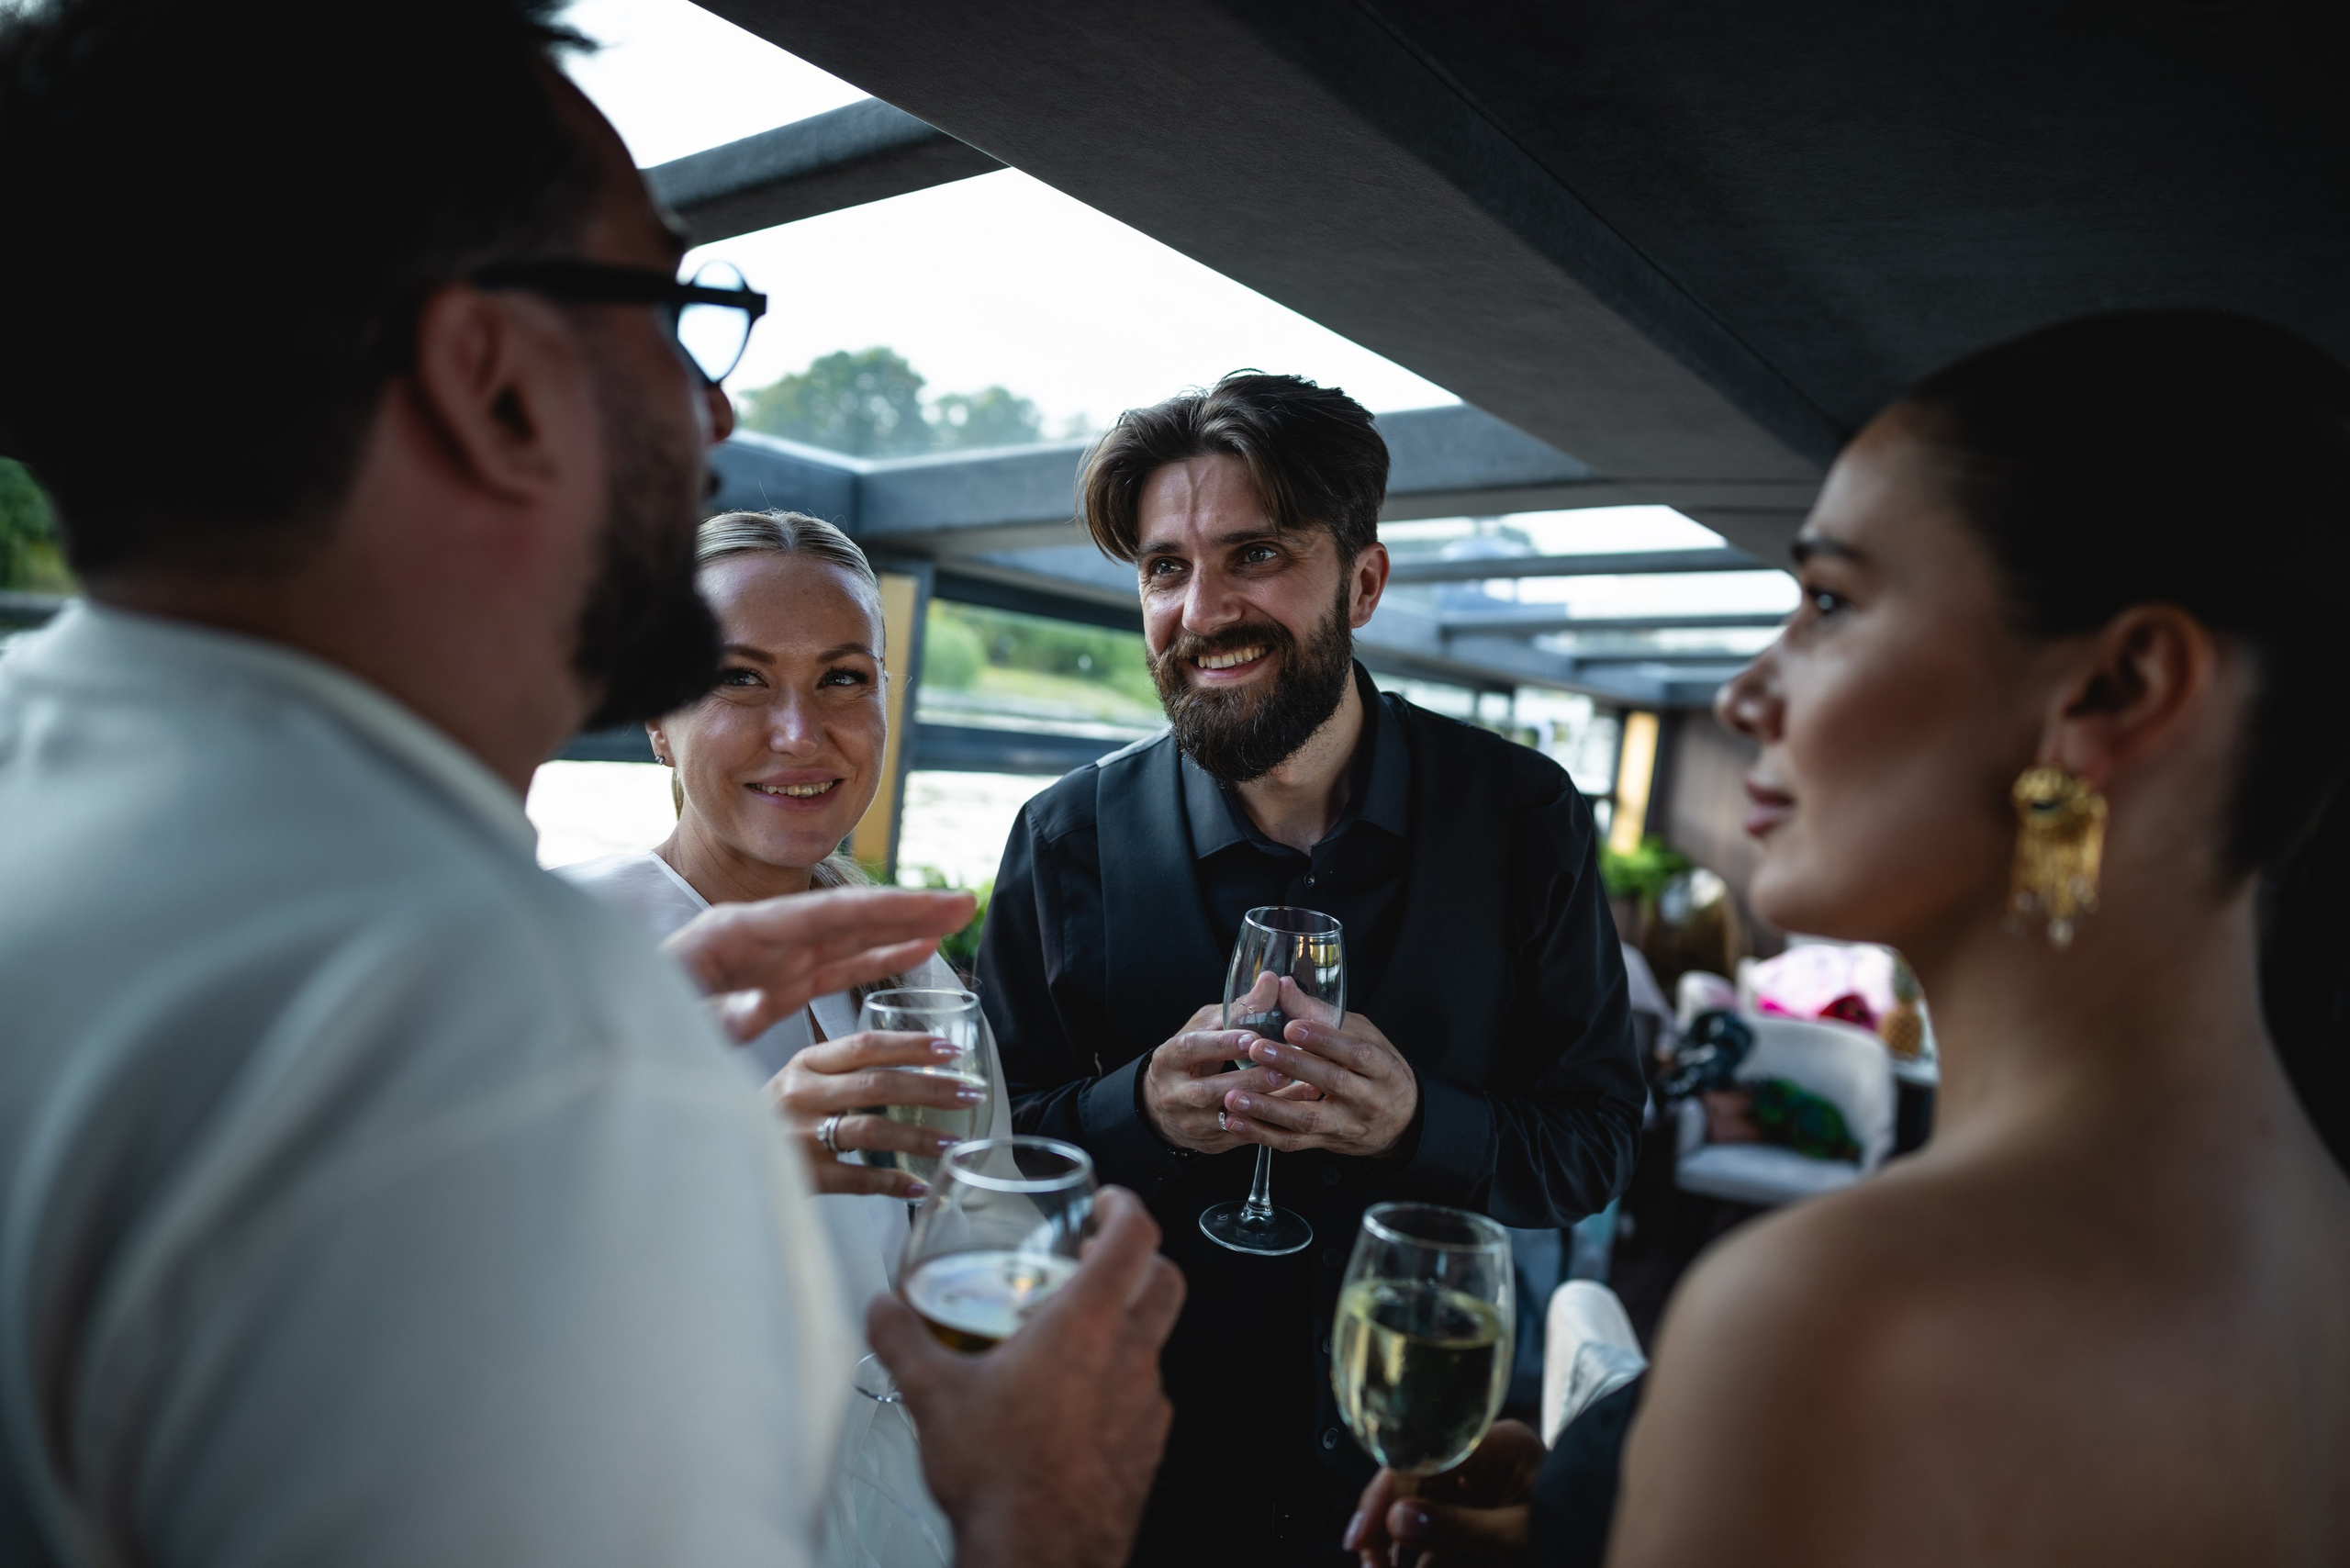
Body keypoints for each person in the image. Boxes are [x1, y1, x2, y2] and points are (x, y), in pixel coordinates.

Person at [0, 4, 1181, 1566]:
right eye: (669, 308)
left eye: (846, 683)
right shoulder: (509, 1030)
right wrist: (1051, 1511)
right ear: (491, 382)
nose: (716, 412)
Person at [1346, 311, 2350, 1567]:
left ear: (2115, 692)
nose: (1746, 694)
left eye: (1828, 601)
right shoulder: (2313, 1240)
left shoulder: (1834, 1319)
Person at [978, 373, 1646, 1564]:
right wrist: (1138, 1111)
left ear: (1365, 582)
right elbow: (993, 1160)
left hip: (1410, 1465)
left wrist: (1416, 1123)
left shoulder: (1522, 816)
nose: (1201, 609)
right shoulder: (1060, 836)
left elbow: (1592, 1149)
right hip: (1125, 1463)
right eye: (1165, 569)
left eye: (1256, 556)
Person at [565, 508, 1011, 1568]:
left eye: (845, 679)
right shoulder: (559, 962)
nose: (801, 733)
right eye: (739, 678)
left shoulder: (920, 975)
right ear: (656, 718)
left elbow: (978, 1268)